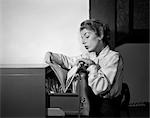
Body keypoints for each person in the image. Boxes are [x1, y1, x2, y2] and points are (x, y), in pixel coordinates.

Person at [45, 19, 124, 117]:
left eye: (87, 36)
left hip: (108, 107)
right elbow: (70, 61)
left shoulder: (113, 57)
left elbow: (100, 88)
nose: (83, 42)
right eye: (82, 38)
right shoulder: (90, 55)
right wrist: (52, 56)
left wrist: (91, 66)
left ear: (100, 35)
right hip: (93, 103)